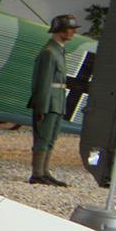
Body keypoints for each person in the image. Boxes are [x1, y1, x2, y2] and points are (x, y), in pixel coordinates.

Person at [29, 14, 78, 186]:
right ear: (59, 30)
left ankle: (44, 172)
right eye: (69, 28)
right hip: (48, 102)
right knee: (43, 136)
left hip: (57, 102)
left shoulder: (58, 51)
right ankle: (37, 174)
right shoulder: (49, 53)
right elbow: (42, 82)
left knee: (51, 137)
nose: (72, 32)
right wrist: (40, 107)